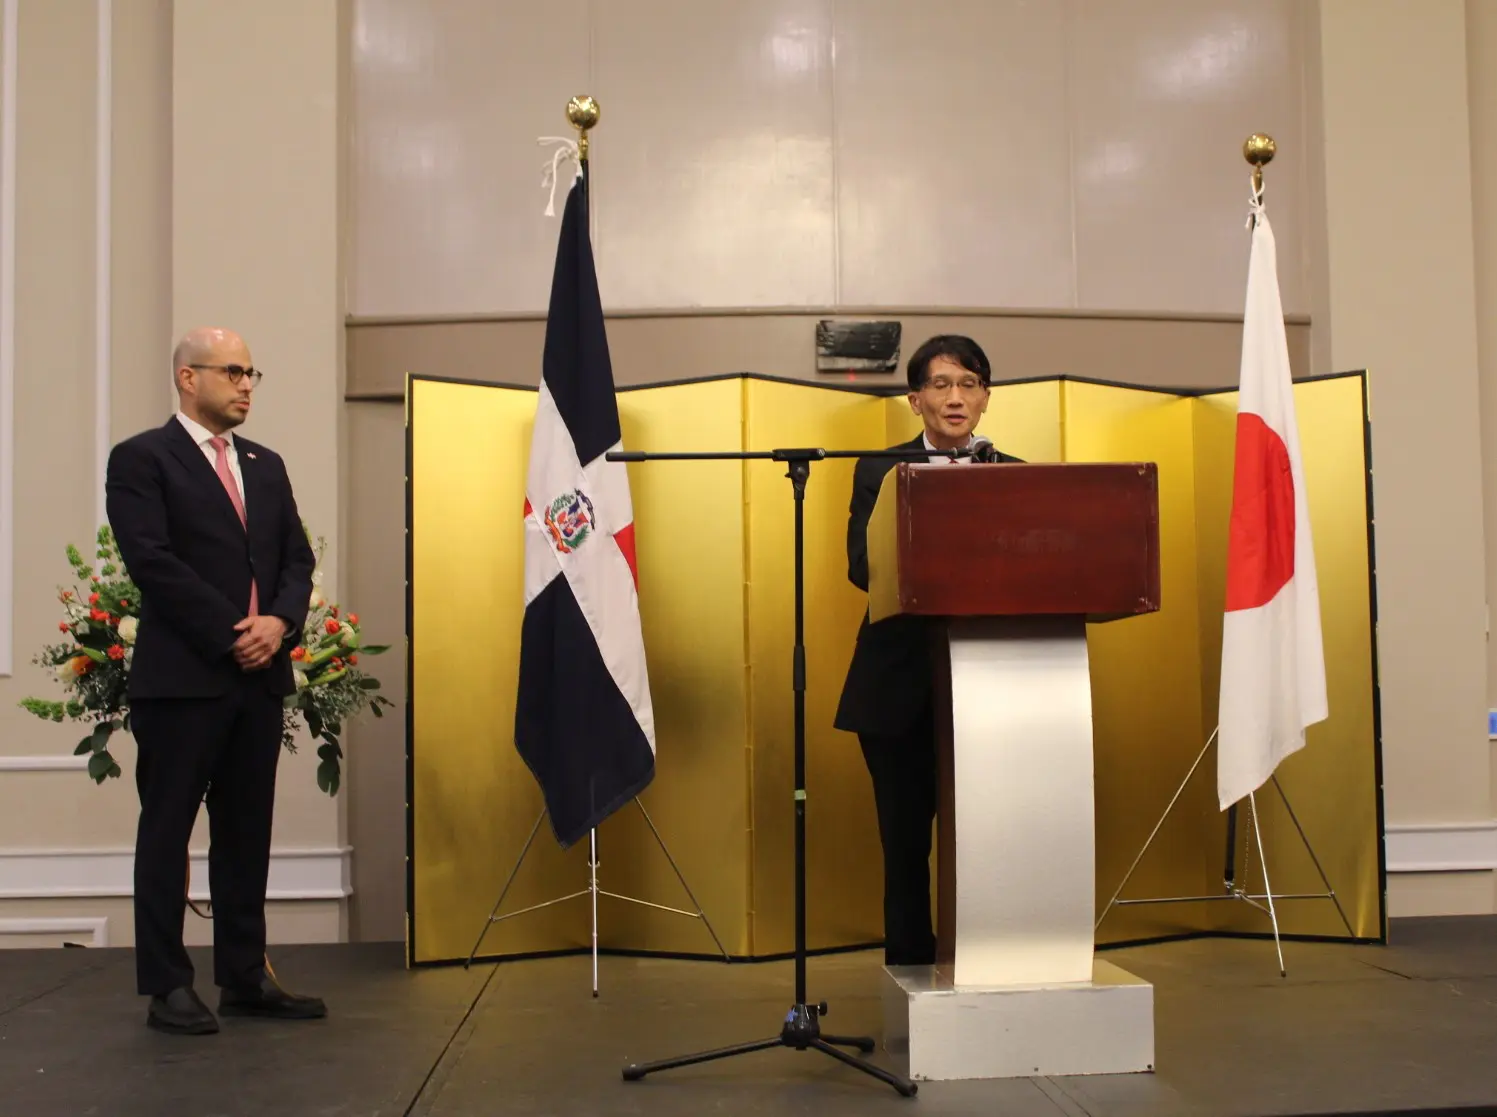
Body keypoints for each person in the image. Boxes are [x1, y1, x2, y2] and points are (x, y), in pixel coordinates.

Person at [105, 327, 324, 1034]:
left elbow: (296, 558)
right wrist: (237, 630)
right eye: (231, 371)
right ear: (186, 378)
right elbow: (152, 560)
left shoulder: (265, 464)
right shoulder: (142, 459)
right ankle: (167, 984)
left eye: (251, 371)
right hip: (183, 679)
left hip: (257, 681)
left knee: (245, 832)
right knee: (167, 830)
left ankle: (243, 975)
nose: (245, 384)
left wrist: (281, 623)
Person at [833, 334, 1021, 967]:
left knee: (989, 842)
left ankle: (988, 969)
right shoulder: (878, 470)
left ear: (987, 397)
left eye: (969, 383)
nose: (956, 397)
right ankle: (911, 985)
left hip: (991, 682)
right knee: (907, 848)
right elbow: (863, 567)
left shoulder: (1016, 475)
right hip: (898, 685)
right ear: (914, 399)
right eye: (941, 385)